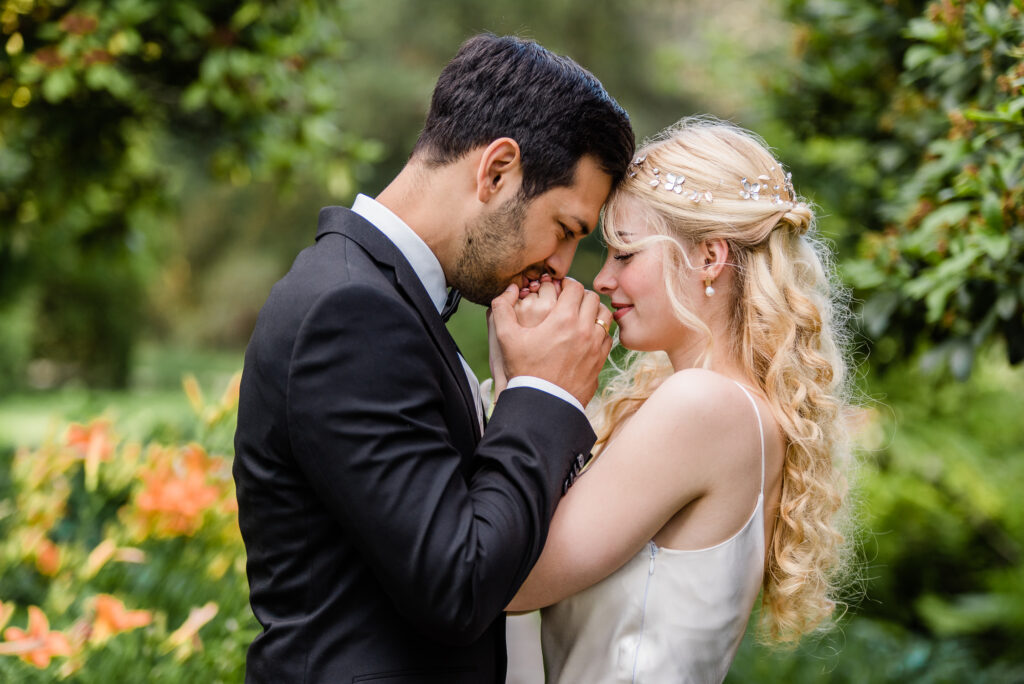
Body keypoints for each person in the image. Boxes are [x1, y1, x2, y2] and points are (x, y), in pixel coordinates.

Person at [231, 34, 634, 682]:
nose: (562, 267)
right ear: (497, 169)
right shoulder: (351, 313)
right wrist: (544, 393)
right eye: (565, 229)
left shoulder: (379, 297)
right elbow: (457, 583)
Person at [500, 117, 853, 683]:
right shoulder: (733, 408)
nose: (602, 280)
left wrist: (527, 379)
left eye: (625, 254)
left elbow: (502, 579)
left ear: (709, 258)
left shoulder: (703, 406)